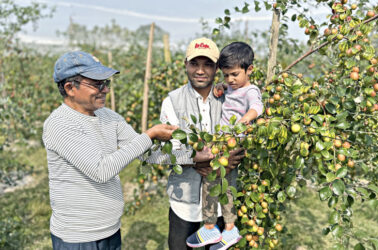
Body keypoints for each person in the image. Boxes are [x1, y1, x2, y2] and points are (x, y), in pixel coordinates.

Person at [43, 51, 177, 250]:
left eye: (106, 83)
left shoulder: (109, 116)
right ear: (70, 88)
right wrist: (149, 135)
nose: (105, 90)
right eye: (97, 84)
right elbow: (101, 171)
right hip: (78, 236)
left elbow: (146, 152)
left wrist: (197, 157)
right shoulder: (59, 125)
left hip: (110, 229)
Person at [158, 38, 245, 250]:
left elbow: (246, 136)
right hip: (183, 201)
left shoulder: (231, 98)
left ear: (217, 68)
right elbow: (164, 153)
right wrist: (193, 160)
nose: (200, 70)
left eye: (207, 64)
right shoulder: (172, 102)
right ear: (185, 64)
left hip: (220, 203)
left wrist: (234, 157)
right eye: (195, 63)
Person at [186, 41, 263, 249]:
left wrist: (245, 120)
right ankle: (216, 227)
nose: (230, 79)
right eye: (226, 75)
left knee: (219, 184)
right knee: (218, 184)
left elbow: (257, 106)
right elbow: (226, 90)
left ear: (250, 70)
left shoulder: (250, 91)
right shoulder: (231, 87)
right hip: (221, 142)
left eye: (235, 75)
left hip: (232, 143)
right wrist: (222, 87)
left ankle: (222, 228)